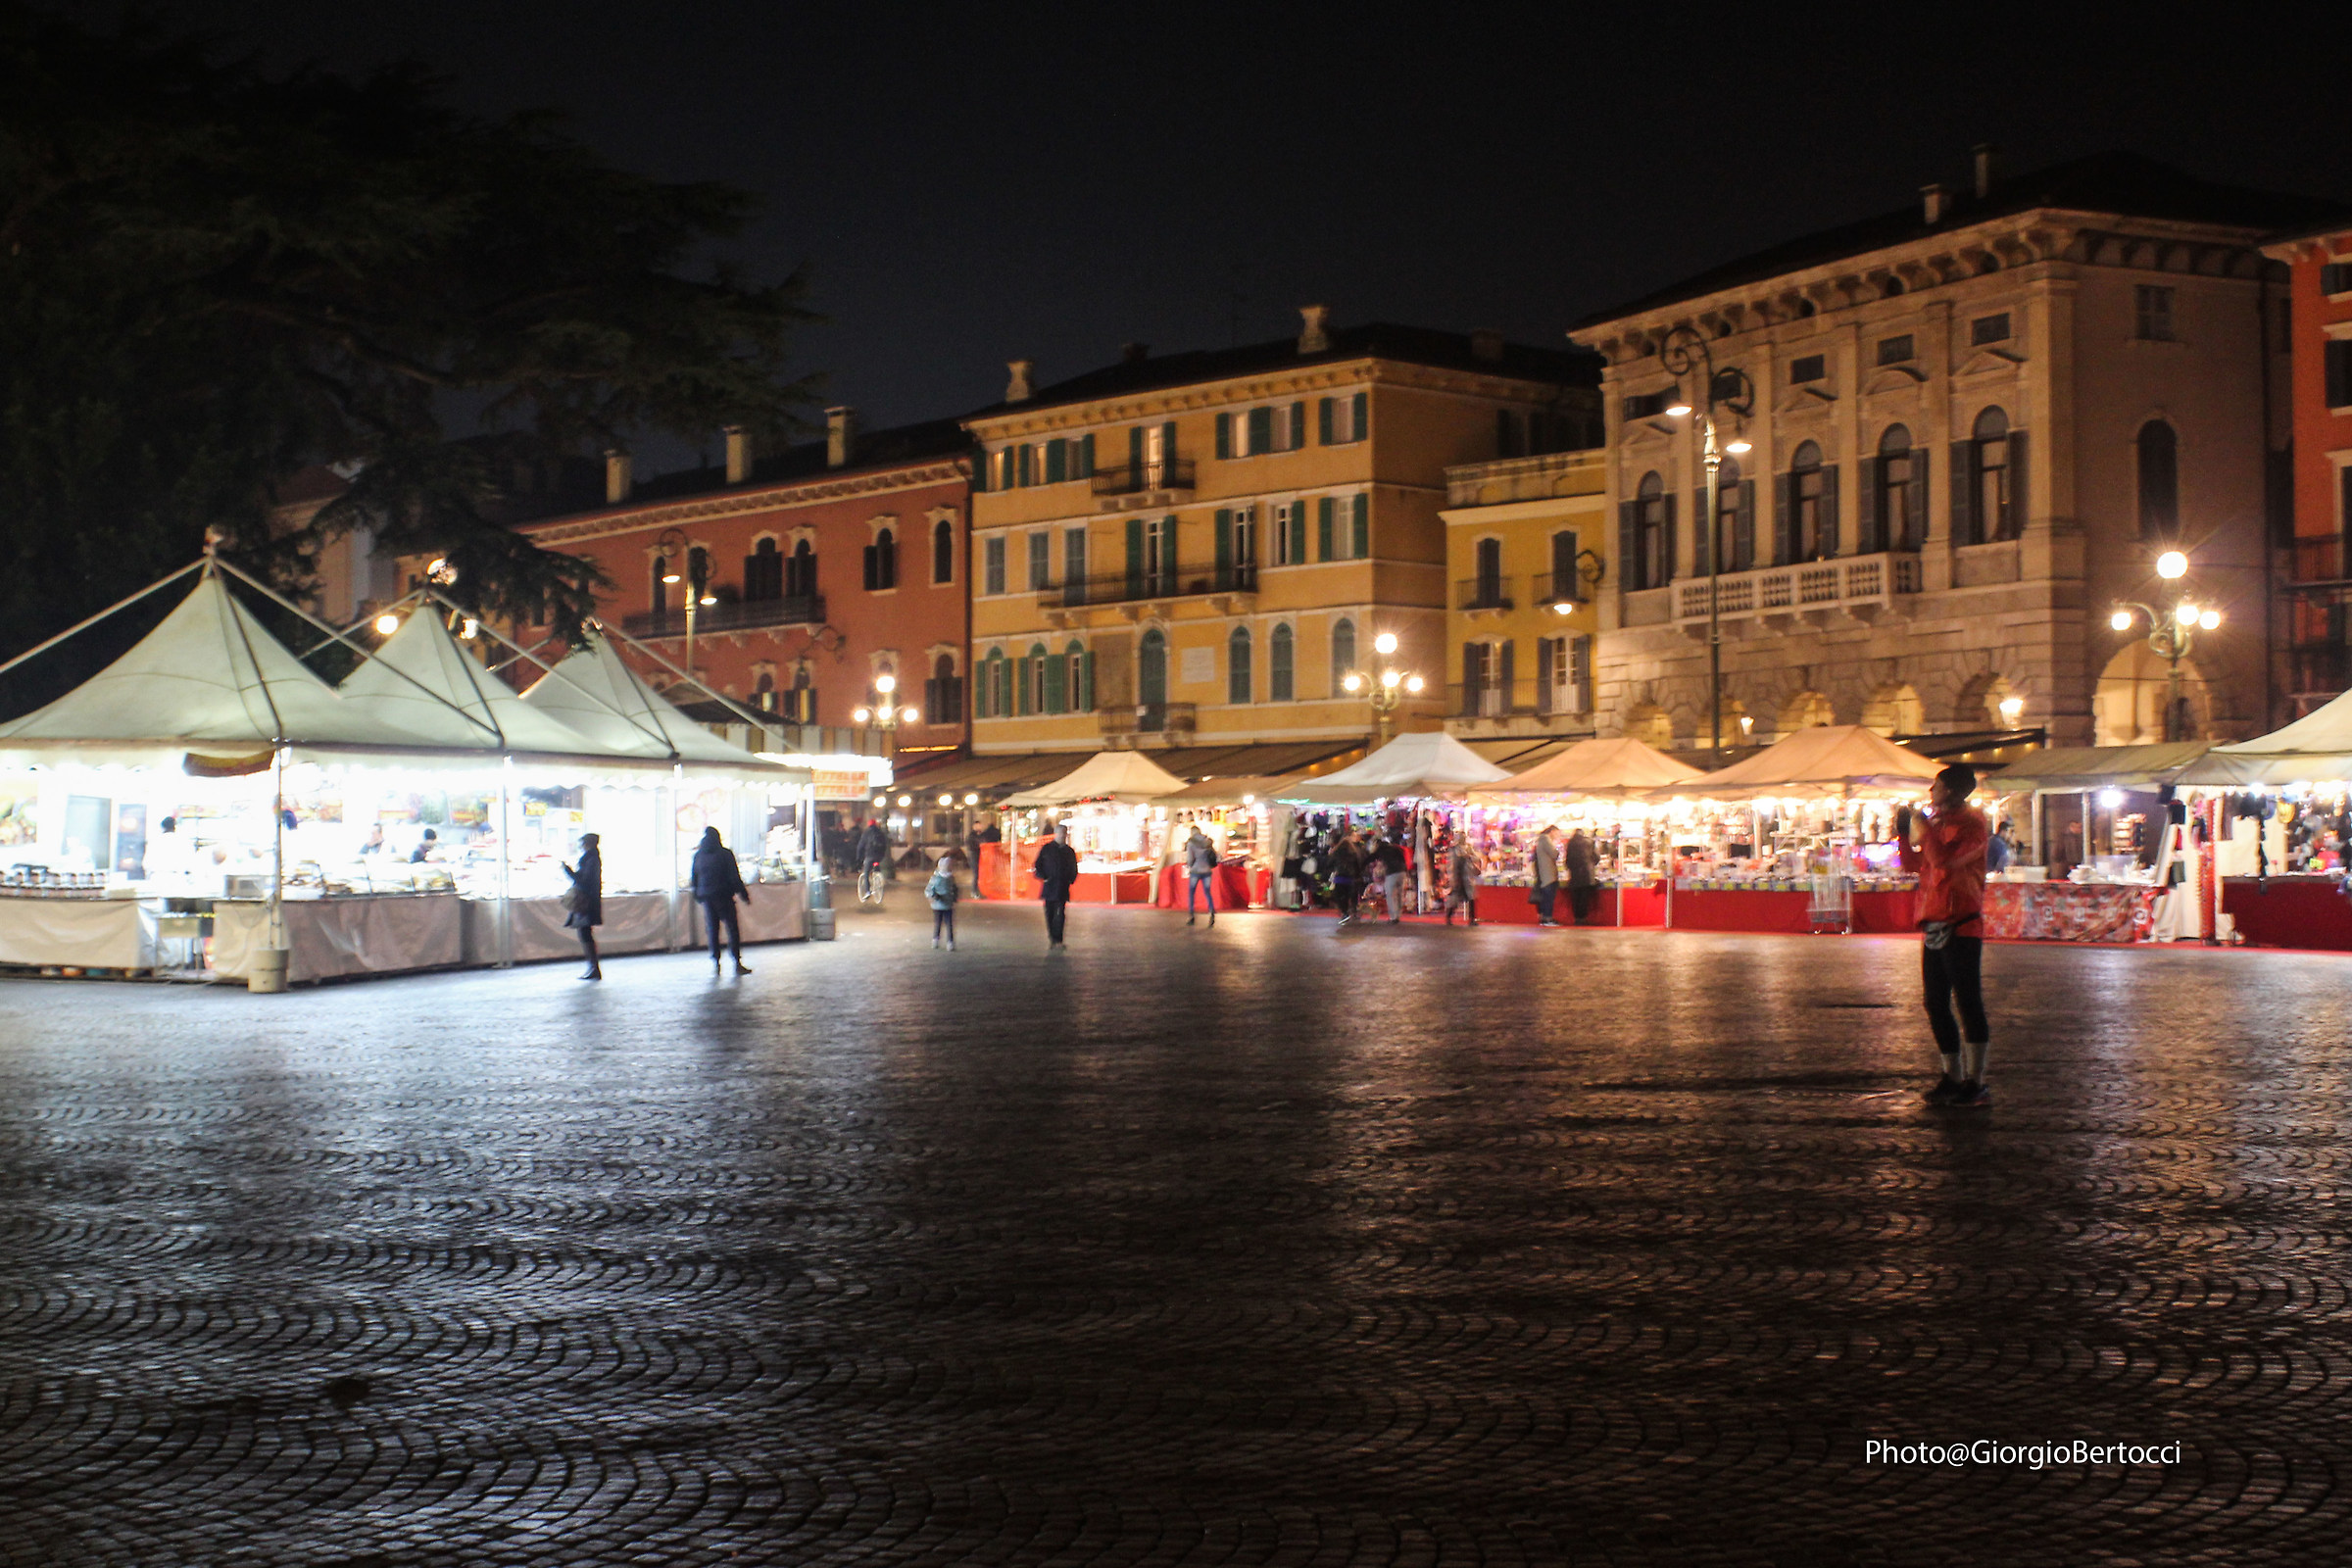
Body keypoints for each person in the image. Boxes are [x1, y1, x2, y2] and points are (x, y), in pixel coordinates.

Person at [1897, 764, 1992, 1107]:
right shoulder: (1936, 823)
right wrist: (1903, 833)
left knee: (1968, 1002)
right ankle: (1950, 1075)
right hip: (1933, 920)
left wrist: (1926, 830)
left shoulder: (1974, 825)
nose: (1930, 792)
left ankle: (1976, 1081)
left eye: (1935, 786)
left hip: (1962, 923)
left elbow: (1946, 863)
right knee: (1935, 1002)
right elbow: (1914, 865)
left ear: (1951, 790)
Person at [690, 826, 753, 976]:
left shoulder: (698, 855)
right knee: (732, 929)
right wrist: (744, 895)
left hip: (707, 897)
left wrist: (697, 895)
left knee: (712, 929)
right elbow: (734, 877)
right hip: (724, 896)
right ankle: (736, 962)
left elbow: (694, 877)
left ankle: (716, 962)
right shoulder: (725, 854)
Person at [564, 833, 603, 981]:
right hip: (589, 900)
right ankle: (593, 967)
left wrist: (568, 871)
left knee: (585, 933)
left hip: (586, 901)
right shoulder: (592, 859)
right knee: (585, 932)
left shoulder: (590, 860)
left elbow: (583, 881)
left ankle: (593, 967)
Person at [1033, 822, 1079, 949]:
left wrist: (1070, 879)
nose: (1062, 835)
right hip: (1049, 887)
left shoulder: (1069, 851)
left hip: (1062, 887)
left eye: (1064, 833)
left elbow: (1073, 867)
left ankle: (1058, 939)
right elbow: (1038, 865)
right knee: (1050, 913)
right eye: (1060, 833)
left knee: (1060, 913)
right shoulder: (1047, 848)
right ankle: (1052, 937)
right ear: (1056, 834)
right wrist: (1044, 877)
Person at [1328, 827, 1364, 928]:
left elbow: (1330, 863)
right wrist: (1358, 875)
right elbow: (1357, 865)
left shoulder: (1337, 852)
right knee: (1351, 895)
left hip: (1339, 877)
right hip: (1350, 878)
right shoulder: (1354, 852)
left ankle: (1344, 912)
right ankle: (1352, 910)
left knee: (1339, 896)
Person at [1183, 824, 1219, 926]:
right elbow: (1215, 855)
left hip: (1195, 870)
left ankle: (1191, 916)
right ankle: (1211, 912)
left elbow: (1190, 859)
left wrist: (1189, 865)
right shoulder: (1207, 841)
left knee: (1191, 893)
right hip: (1207, 870)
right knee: (1208, 892)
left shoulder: (1191, 842)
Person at [1564, 828, 1599, 924]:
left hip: (1574, 874)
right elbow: (1596, 858)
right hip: (1587, 874)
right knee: (1584, 897)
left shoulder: (1570, 843)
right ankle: (1583, 918)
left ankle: (1577, 918)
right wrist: (1591, 865)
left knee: (1576, 897)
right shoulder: (1590, 842)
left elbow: (1567, 861)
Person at [925, 854, 960, 950]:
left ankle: (937, 940)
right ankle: (949, 942)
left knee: (939, 923)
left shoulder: (937, 878)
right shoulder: (948, 878)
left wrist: (934, 897)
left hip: (940, 905)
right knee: (948, 924)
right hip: (944, 904)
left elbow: (928, 890)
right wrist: (954, 897)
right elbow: (954, 888)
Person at [1372, 833, 1408, 922]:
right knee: (1399, 894)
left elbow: (1380, 863)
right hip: (1402, 871)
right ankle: (1398, 915)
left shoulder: (1382, 851)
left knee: (1390, 895)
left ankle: (1393, 917)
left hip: (1392, 873)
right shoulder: (1396, 848)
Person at [1446, 836, 1482, 926]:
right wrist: (1453, 878)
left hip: (1467, 876)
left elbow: (1476, 858)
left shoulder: (1468, 848)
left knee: (1471, 899)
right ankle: (1448, 917)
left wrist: (1470, 857)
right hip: (1458, 877)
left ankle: (1472, 919)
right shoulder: (1454, 850)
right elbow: (1452, 865)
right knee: (1455, 899)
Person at [1531, 825, 1561, 926]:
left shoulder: (1541, 840)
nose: (1558, 835)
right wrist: (1557, 849)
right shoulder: (1546, 840)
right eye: (1557, 833)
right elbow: (1554, 854)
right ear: (1552, 831)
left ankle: (1544, 918)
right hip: (1548, 875)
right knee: (1548, 898)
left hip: (1544, 874)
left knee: (1546, 898)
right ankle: (1548, 919)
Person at [855, 815, 892, 888]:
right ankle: (878, 878)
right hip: (879, 855)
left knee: (866, 873)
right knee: (876, 864)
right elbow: (884, 844)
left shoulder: (866, 833)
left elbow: (860, 846)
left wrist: (858, 858)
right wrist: (882, 854)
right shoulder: (880, 833)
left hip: (870, 855)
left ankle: (867, 891)